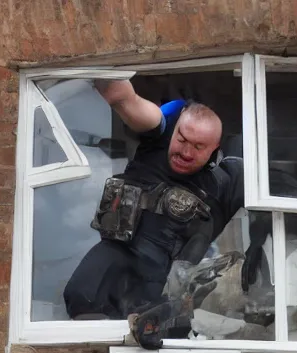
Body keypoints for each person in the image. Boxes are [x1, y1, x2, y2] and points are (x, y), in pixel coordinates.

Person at [63, 80, 246, 320]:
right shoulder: (158, 136)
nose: (186, 152)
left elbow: (270, 194)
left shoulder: (222, 183)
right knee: (80, 296)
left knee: (146, 325)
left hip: (158, 276)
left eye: (198, 147)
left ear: (214, 148)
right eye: (182, 139)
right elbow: (127, 100)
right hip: (116, 249)